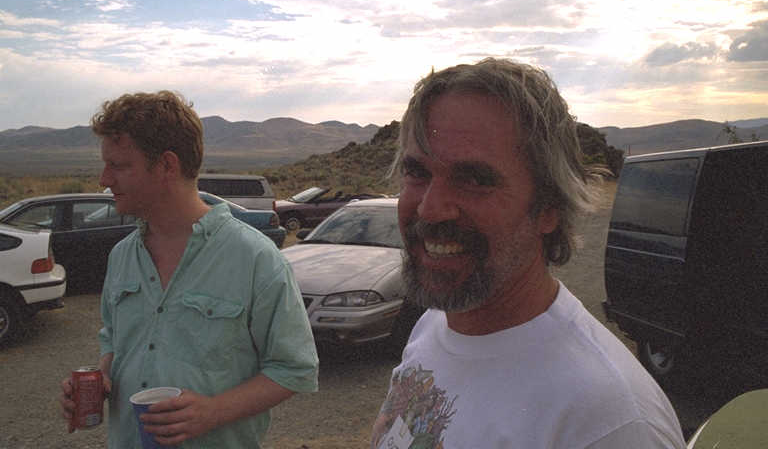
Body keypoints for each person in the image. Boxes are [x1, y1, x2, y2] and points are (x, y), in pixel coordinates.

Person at [370, 59, 686, 448]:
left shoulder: (608, 421)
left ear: (549, 208)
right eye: (418, 173)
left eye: (474, 179)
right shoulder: (434, 325)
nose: (430, 209)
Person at [59, 91, 318, 448]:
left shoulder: (255, 258)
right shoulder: (121, 256)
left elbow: (294, 368)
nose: (104, 179)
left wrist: (214, 411)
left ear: (167, 166)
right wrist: (100, 378)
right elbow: (114, 341)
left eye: (118, 166)